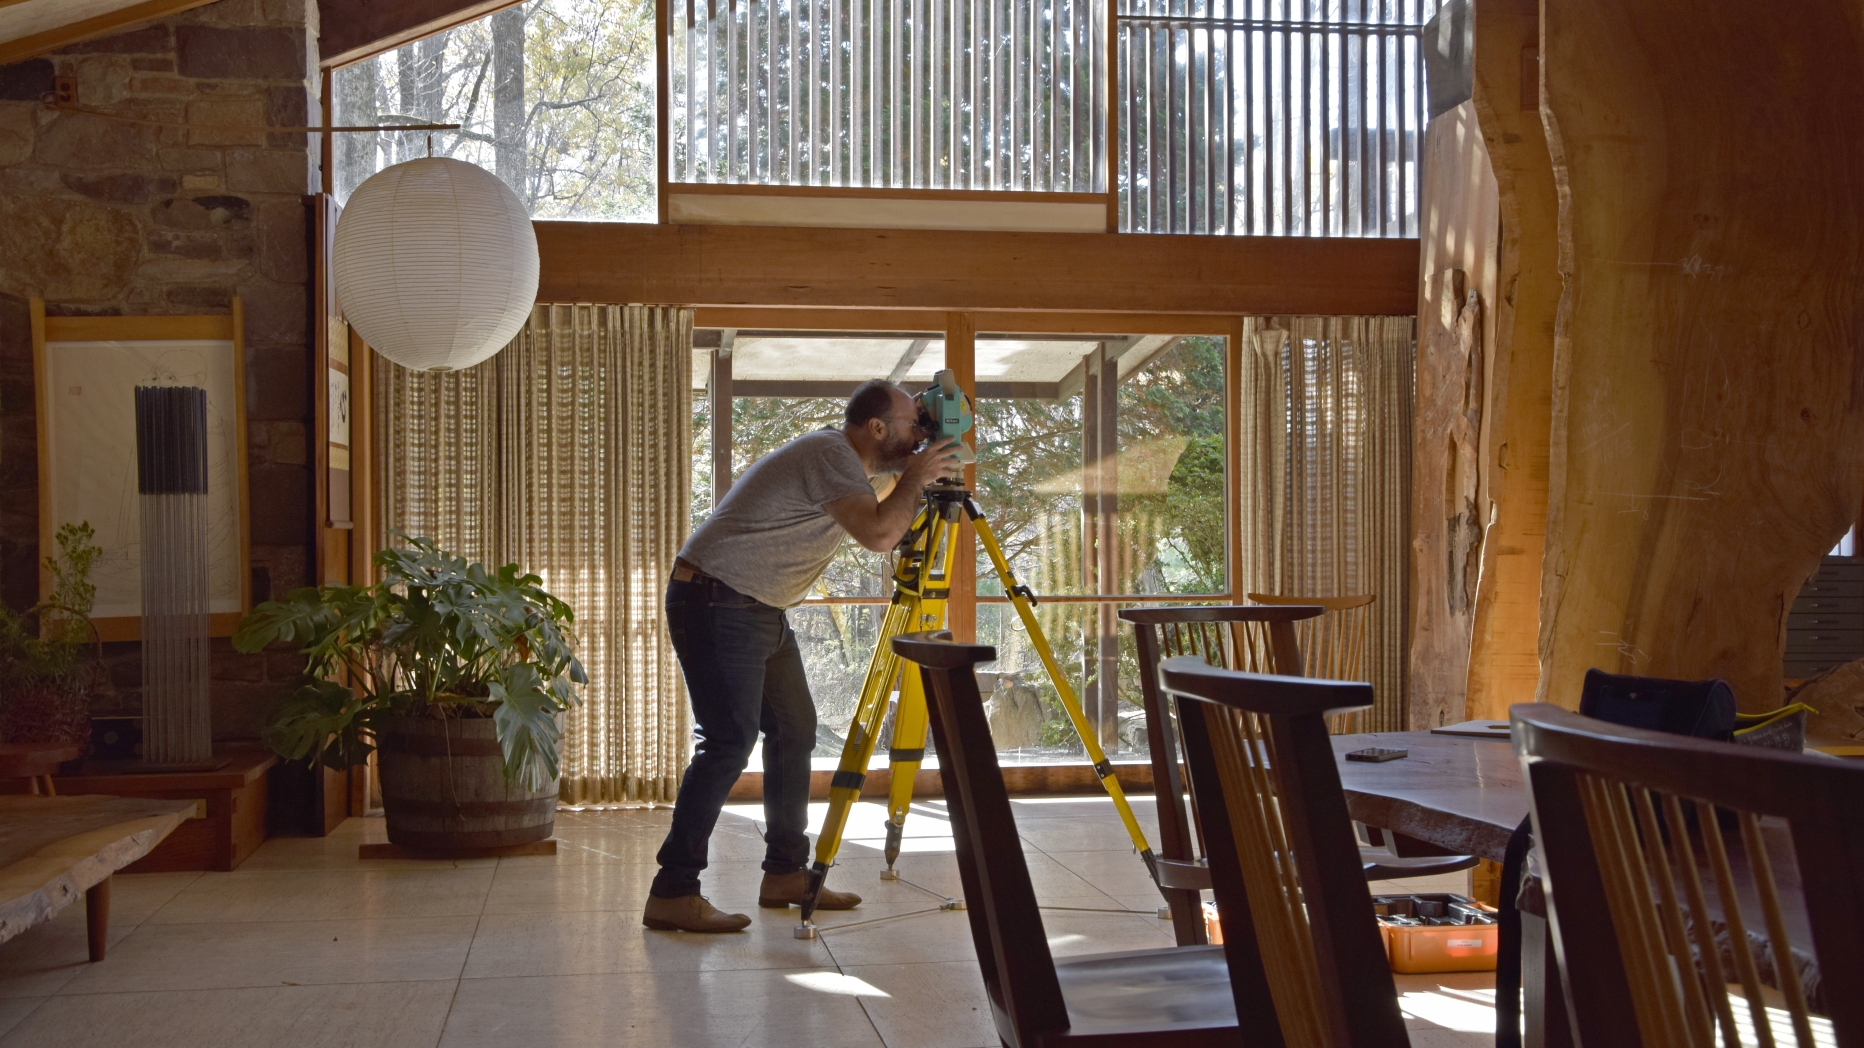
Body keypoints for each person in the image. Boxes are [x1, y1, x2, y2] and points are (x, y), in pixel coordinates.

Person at [642, 379, 962, 933]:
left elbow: (890, 499)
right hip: (717, 598)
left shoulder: (849, 464)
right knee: (727, 742)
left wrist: (924, 461)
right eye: (914, 426)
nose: (920, 437)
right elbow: (881, 533)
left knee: (794, 730)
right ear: (877, 428)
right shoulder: (830, 453)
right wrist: (915, 476)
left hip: (755, 605)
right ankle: (673, 890)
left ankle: (785, 873)